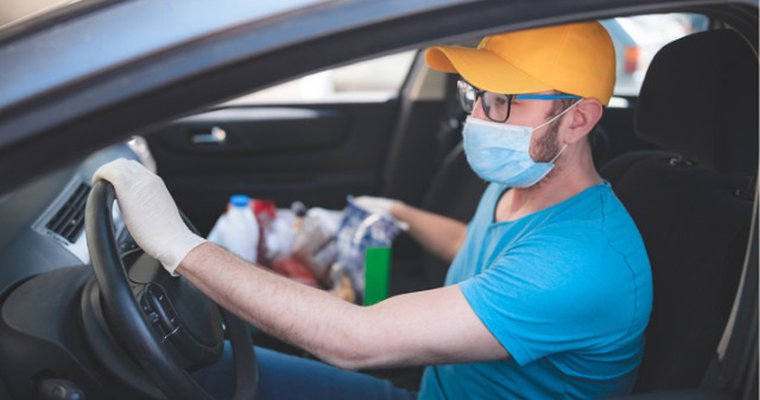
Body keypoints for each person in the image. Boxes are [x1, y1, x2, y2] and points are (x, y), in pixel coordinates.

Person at [94, 21, 652, 399]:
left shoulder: (584, 260)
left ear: (577, 121)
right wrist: (399, 210)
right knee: (202, 369)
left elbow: (358, 340)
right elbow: (475, 248)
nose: (479, 116)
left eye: (503, 101)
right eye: (476, 93)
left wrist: (180, 247)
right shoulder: (525, 184)